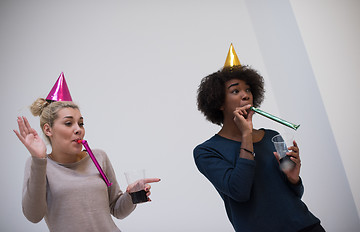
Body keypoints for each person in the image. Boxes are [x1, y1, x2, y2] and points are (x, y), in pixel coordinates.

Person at [193, 45, 325, 232]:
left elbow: (295, 194)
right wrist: (246, 134)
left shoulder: (272, 136)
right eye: (235, 91)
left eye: (248, 89)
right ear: (219, 102)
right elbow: (239, 192)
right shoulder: (206, 151)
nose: (246, 95)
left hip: (307, 227)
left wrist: (294, 179)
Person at [14, 73, 160, 232]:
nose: (78, 130)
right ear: (48, 129)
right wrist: (38, 160)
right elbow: (33, 216)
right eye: (69, 123)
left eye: (81, 123)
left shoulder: (98, 157)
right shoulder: (39, 165)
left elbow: (117, 210)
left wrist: (132, 195)